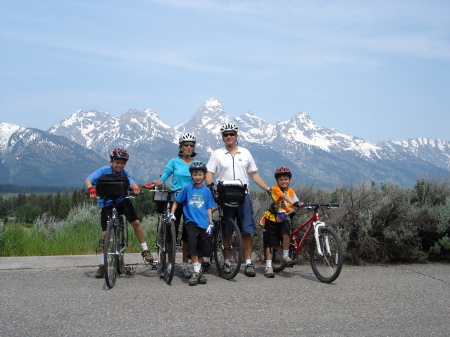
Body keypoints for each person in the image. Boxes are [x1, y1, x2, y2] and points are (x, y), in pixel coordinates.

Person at [206, 122, 271, 277]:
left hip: (243, 196)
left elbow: (253, 174)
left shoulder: (245, 153)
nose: (229, 137)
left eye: (232, 134)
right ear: (222, 137)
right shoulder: (217, 154)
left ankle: (248, 263)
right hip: (224, 196)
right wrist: (210, 187)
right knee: (226, 232)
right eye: (226, 135)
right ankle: (227, 262)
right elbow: (209, 172)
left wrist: (268, 189)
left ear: (236, 136)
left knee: (246, 231)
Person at [86, 148, 154, 279]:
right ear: (111, 162)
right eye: (117, 162)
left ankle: (145, 249)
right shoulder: (103, 171)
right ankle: (102, 264)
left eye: (122, 163)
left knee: (136, 223)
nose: (119, 165)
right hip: (107, 202)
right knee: (105, 234)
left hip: (122, 200)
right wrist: (91, 189)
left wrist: (137, 189)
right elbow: (89, 180)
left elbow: (132, 184)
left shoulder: (124, 173)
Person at [151, 133, 198, 278]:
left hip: (191, 201)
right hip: (176, 200)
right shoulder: (174, 162)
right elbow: (163, 178)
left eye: (191, 145)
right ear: (181, 147)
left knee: (187, 235)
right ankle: (170, 264)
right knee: (172, 233)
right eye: (186, 145)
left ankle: (185, 265)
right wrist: (153, 184)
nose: (188, 147)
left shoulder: (196, 163)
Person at [168, 161, 215, 286]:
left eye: (200, 174)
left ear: (204, 175)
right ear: (192, 176)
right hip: (191, 222)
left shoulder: (206, 191)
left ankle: (197, 271)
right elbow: (177, 201)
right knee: (193, 246)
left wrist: (210, 222)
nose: (198, 177)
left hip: (204, 223)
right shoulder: (188, 188)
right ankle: (195, 271)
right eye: (195, 174)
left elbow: (209, 207)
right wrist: (172, 213)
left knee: (201, 247)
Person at [260, 167, 304, 278]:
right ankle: (269, 267)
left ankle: (285, 256)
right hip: (271, 218)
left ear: (289, 180)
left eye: (286, 179)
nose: (284, 181)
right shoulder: (275, 189)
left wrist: (286, 213)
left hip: (283, 217)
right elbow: (284, 196)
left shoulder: (291, 191)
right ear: (277, 181)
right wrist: (294, 202)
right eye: (281, 179)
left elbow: (293, 208)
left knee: (286, 234)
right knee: (269, 242)